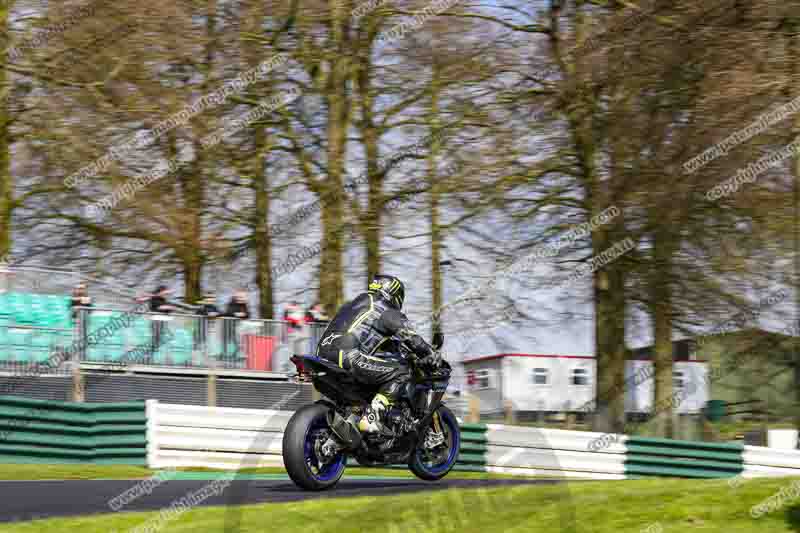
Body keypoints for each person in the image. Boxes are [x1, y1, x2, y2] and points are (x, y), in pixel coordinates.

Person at [314, 275, 440, 435]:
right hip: (347, 356)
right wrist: (430, 353)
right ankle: (372, 417)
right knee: (401, 372)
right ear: (395, 295)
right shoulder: (385, 308)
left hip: (322, 355)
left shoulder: (353, 305)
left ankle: (350, 421)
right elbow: (410, 337)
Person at [135, 285, 175, 359]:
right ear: (160, 292)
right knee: (156, 339)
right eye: (165, 293)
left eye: (167, 294)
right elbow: (158, 307)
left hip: (163, 321)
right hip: (156, 321)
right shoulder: (154, 299)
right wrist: (167, 307)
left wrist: (169, 307)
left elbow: (169, 308)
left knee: (159, 339)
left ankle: (150, 355)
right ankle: (147, 354)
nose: (167, 295)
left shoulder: (162, 300)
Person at [223, 290, 250, 360]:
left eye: (243, 297)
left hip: (239, 327)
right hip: (230, 326)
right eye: (240, 297)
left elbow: (248, 315)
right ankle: (227, 355)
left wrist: (244, 315)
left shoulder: (244, 305)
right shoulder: (231, 303)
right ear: (236, 297)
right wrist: (236, 314)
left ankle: (237, 354)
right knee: (232, 342)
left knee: (238, 341)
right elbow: (228, 312)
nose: (242, 299)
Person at [70, 283, 93, 361]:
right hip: (76, 322)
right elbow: (73, 309)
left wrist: (81, 303)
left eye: (82, 288)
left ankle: (84, 357)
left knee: (84, 340)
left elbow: (89, 309)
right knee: (76, 339)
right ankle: (76, 357)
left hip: (84, 322)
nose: (80, 290)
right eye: (79, 288)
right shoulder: (73, 298)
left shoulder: (87, 298)